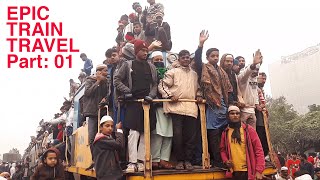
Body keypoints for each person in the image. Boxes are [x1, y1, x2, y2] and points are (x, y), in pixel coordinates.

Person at [114, 39, 158, 173]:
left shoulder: (151, 66)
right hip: (133, 103)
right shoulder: (127, 65)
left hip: (147, 104)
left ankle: (140, 161)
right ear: (136, 51)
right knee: (133, 133)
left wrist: (151, 95)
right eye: (142, 51)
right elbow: (116, 80)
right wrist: (127, 91)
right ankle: (132, 162)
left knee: (145, 133)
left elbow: (155, 83)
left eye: (146, 51)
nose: (145, 53)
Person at [194, 30, 233, 168]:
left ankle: (224, 159)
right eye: (212, 56)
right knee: (213, 133)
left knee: (224, 134)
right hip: (211, 105)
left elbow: (228, 89)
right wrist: (200, 44)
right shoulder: (204, 67)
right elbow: (197, 60)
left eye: (217, 56)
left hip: (223, 105)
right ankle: (216, 160)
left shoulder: (222, 71)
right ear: (207, 57)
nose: (215, 58)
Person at [159, 50, 202, 170]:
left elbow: (199, 88)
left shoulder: (194, 74)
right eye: (183, 57)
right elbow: (162, 85)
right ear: (179, 59)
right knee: (178, 136)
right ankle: (179, 160)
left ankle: (188, 161)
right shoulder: (172, 71)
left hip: (191, 108)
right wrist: (169, 95)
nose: (186, 59)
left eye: (188, 57)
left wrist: (199, 95)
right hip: (176, 108)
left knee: (191, 137)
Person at [220, 106, 265, 180]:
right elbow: (222, 150)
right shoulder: (225, 132)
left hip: (248, 171)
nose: (235, 115)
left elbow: (259, 150)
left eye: (237, 113)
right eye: (232, 113)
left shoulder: (248, 130)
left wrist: (259, 170)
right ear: (228, 116)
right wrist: (226, 161)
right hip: (233, 172)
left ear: (240, 115)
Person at [83, 64, 110, 169]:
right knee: (92, 138)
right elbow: (88, 93)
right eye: (105, 71)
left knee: (106, 137)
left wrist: (105, 99)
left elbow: (108, 94)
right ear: (98, 72)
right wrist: (98, 81)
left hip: (103, 112)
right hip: (92, 114)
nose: (107, 73)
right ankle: (95, 161)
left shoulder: (107, 82)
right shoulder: (90, 80)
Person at [237, 49, 263, 130]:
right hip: (243, 111)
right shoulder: (243, 77)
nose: (256, 72)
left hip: (252, 111)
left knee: (252, 136)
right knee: (243, 135)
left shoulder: (254, 79)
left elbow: (254, 93)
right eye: (254, 70)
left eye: (257, 70)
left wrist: (256, 103)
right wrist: (253, 64)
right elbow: (247, 72)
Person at [92, 115, 124, 180]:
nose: (110, 128)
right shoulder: (101, 139)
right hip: (107, 176)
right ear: (100, 127)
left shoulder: (105, 139)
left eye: (112, 126)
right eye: (107, 126)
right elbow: (119, 145)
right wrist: (119, 130)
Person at [255, 72, 269, 156]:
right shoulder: (254, 88)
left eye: (265, 79)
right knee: (259, 135)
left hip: (262, 117)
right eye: (262, 78)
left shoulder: (261, 90)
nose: (264, 81)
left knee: (264, 136)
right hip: (257, 117)